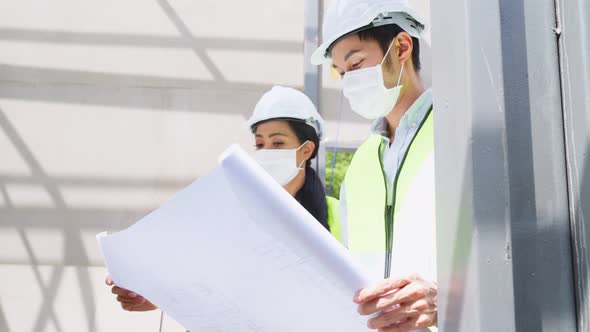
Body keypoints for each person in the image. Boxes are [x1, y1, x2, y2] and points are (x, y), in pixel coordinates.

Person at [106, 85, 342, 312]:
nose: (267, 151)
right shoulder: (229, 211)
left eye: (278, 143)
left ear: (306, 150)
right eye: (260, 144)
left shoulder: (339, 216)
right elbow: (200, 282)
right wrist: (153, 297)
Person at [310, 0, 437, 331]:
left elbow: (507, 252)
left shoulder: (454, 134)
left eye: (355, 64)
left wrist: (444, 300)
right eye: (341, 72)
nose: (347, 82)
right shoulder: (362, 163)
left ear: (401, 47)